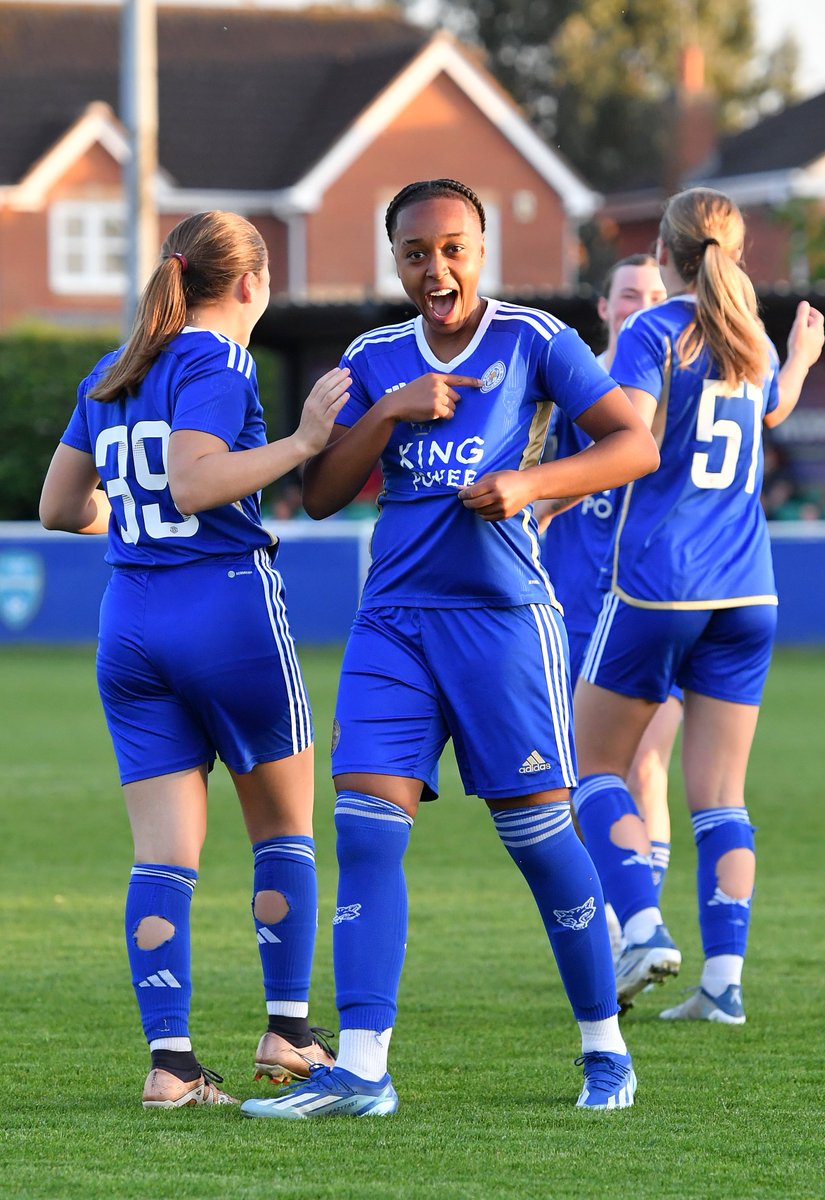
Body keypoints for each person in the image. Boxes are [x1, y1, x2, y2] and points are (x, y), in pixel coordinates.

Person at [239, 178, 659, 1119]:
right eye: (417, 252)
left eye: (454, 247)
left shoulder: (535, 340)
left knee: (543, 843)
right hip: (393, 623)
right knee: (363, 829)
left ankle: (605, 1046)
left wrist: (531, 483)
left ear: (483, 247)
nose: (438, 267)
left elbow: (634, 445)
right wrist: (388, 413)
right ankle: (362, 1067)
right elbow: (321, 495)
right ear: (396, 260)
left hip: (504, 624)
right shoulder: (373, 357)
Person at [38, 210, 351, 1107]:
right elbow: (195, 479)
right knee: (284, 830)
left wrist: (127, 520)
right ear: (251, 284)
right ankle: (289, 1035)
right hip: (223, 611)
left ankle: (170, 1065)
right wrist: (300, 445)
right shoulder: (217, 358)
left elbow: (61, 505)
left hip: (129, 624)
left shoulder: (113, 368)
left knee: (162, 857)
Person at [571, 186, 825, 1023]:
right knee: (720, 795)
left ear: (667, 253)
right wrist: (799, 364)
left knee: (592, 767)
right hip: (749, 588)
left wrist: (540, 483)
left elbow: (631, 438)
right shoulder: (745, 338)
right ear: (735, 250)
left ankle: (641, 928)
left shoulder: (652, 332)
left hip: (660, 583)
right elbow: (769, 410)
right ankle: (724, 984)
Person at [534, 254, 680, 965]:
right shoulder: (572, 385)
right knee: (575, 776)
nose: (645, 305)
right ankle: (625, 923)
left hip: (651, 601)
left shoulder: (681, 389)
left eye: (658, 294)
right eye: (631, 295)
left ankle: (635, 923)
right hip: (566, 606)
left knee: (644, 764)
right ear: (604, 306)